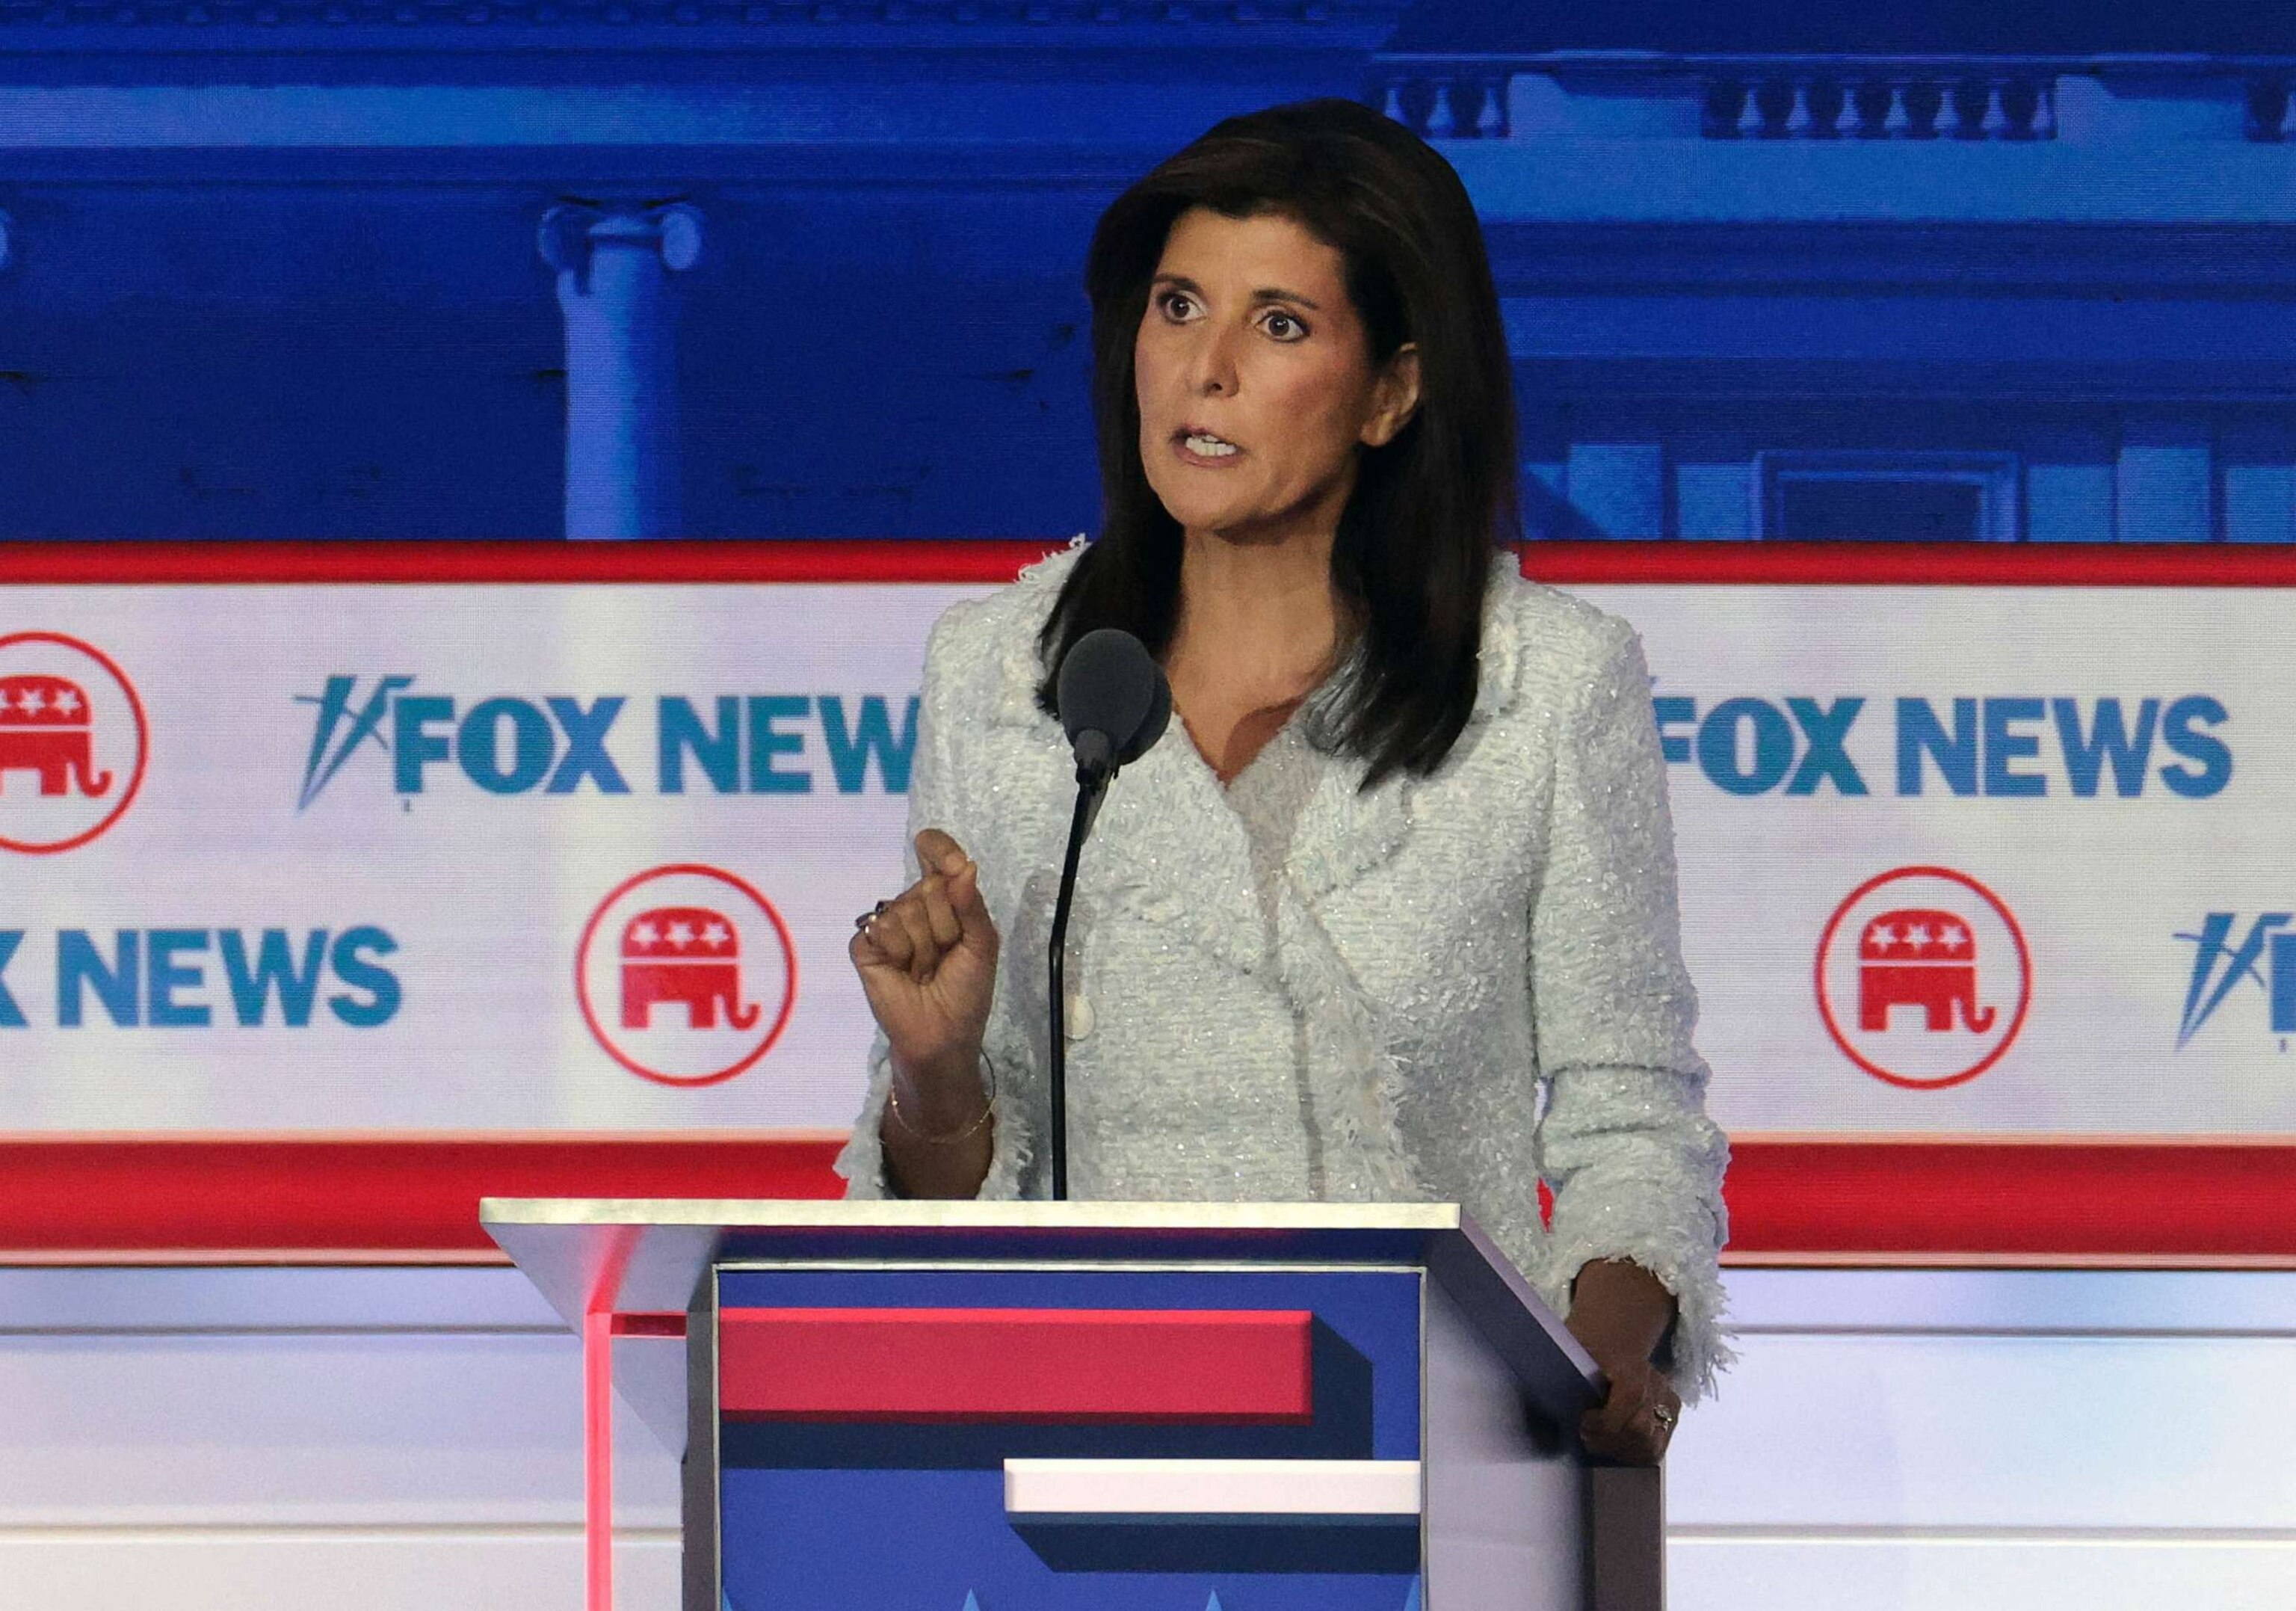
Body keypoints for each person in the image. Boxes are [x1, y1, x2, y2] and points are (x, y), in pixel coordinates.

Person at [836, 98, 1728, 1464]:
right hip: (1078, 1449)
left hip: (1436, 1450)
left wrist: (1594, 1363)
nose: (1205, 371)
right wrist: (935, 1071)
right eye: (1179, 306)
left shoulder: (1548, 683)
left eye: (1282, 325)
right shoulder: (1004, 673)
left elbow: (1628, 1114)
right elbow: (968, 1182)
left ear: (1393, 391)